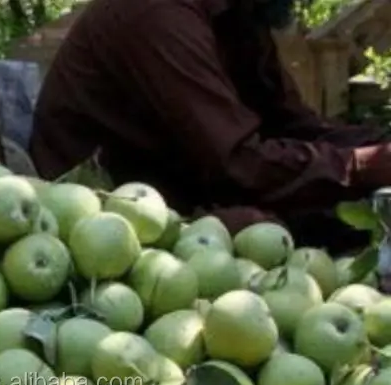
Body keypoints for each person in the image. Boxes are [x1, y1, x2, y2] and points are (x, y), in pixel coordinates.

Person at [29, 0, 391, 253]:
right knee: (264, 231)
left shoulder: (240, 16)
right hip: (107, 220)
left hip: (189, 184)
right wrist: (360, 167)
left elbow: (290, 122)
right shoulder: (161, 16)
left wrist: (378, 148)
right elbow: (237, 165)